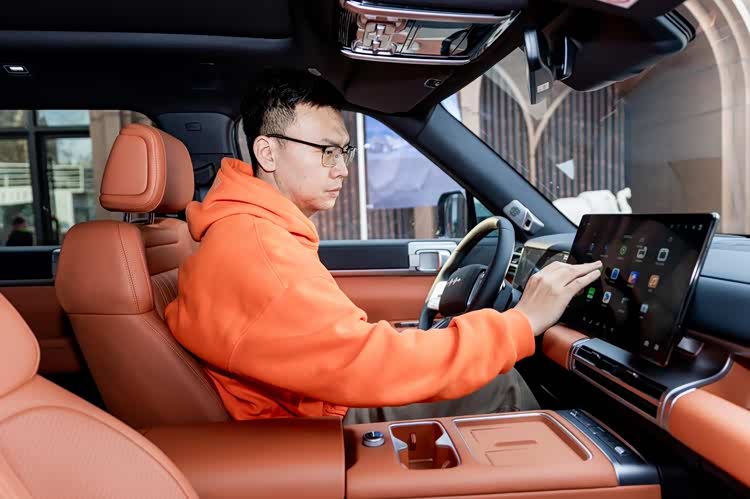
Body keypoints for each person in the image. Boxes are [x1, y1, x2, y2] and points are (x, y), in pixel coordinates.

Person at [165, 70, 602, 423]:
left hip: (310, 402)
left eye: (344, 152)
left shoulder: (252, 231)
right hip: (310, 429)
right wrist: (522, 322)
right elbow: (366, 363)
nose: (342, 169)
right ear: (268, 153)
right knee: (500, 386)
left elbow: (336, 344)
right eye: (325, 151)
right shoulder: (259, 251)